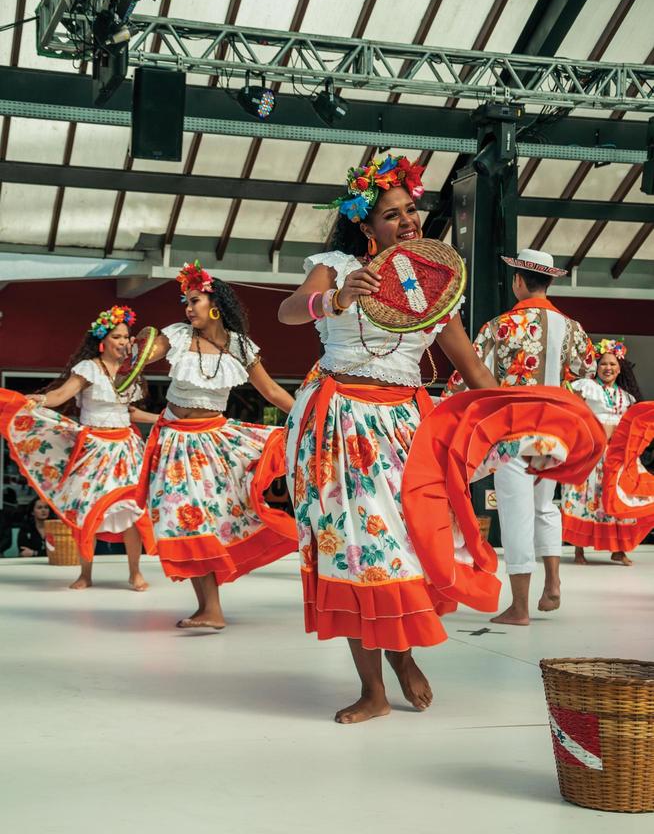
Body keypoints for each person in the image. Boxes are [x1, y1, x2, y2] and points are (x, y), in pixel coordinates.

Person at [280, 153, 499, 725]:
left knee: (400, 551)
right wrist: (335, 298)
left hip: (403, 431)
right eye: (391, 215)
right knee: (353, 556)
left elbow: (474, 370)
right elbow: (284, 313)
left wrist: (514, 418)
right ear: (364, 224)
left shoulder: (434, 286)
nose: (407, 222)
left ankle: (402, 659)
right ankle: (374, 687)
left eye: (411, 210)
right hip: (337, 425)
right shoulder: (333, 267)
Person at [136, 262, 297, 630]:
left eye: (194, 300)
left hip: (215, 442)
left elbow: (271, 391)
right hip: (176, 443)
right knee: (183, 519)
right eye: (186, 302)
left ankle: (211, 609)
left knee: (208, 520)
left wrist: (305, 416)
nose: (188, 308)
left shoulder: (240, 346)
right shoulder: (176, 335)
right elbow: (151, 350)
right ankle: (210, 608)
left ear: (215, 304)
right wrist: (139, 351)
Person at [444, 248, 596, 626]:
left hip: (514, 434)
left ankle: (519, 607)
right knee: (545, 507)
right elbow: (588, 368)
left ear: (518, 281)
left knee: (515, 513)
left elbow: (468, 373)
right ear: (548, 282)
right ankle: (554, 583)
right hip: (555, 435)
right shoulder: (573, 328)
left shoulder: (500, 327)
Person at [0, 306, 155, 590]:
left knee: (132, 511)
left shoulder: (130, 372)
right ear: (102, 340)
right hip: (94, 449)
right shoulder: (89, 369)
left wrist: (162, 419)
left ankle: (135, 572)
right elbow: (60, 395)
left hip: (126, 449)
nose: (123, 342)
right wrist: (36, 400)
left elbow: (130, 412)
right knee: (90, 512)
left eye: (126, 337)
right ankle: (85, 573)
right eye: (117, 336)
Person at [562, 339, 648, 565]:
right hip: (591, 452)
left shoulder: (627, 397)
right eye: (603, 364)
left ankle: (618, 549)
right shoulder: (586, 387)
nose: (607, 368)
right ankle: (578, 550)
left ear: (620, 368)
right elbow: (574, 415)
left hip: (616, 454)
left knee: (618, 497)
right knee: (585, 497)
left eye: (612, 364)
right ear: (596, 367)